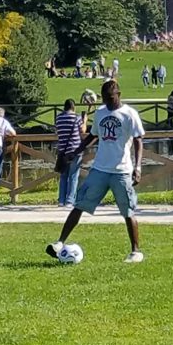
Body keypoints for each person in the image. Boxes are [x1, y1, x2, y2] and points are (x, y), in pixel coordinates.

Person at [46, 79, 145, 264]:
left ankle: (135, 251)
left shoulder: (129, 114)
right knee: (80, 204)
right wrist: (75, 152)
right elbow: (92, 135)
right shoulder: (100, 113)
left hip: (121, 170)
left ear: (119, 95)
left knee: (128, 211)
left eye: (111, 98)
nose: (108, 102)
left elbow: (139, 140)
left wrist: (138, 167)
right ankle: (60, 242)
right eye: (105, 99)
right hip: (99, 168)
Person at [55, 99, 85, 208]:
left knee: (63, 175)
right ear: (73, 107)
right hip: (75, 150)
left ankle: (61, 200)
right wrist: (85, 120)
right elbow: (82, 130)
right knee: (73, 176)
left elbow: (58, 131)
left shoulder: (58, 118)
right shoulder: (76, 117)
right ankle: (70, 200)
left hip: (62, 150)